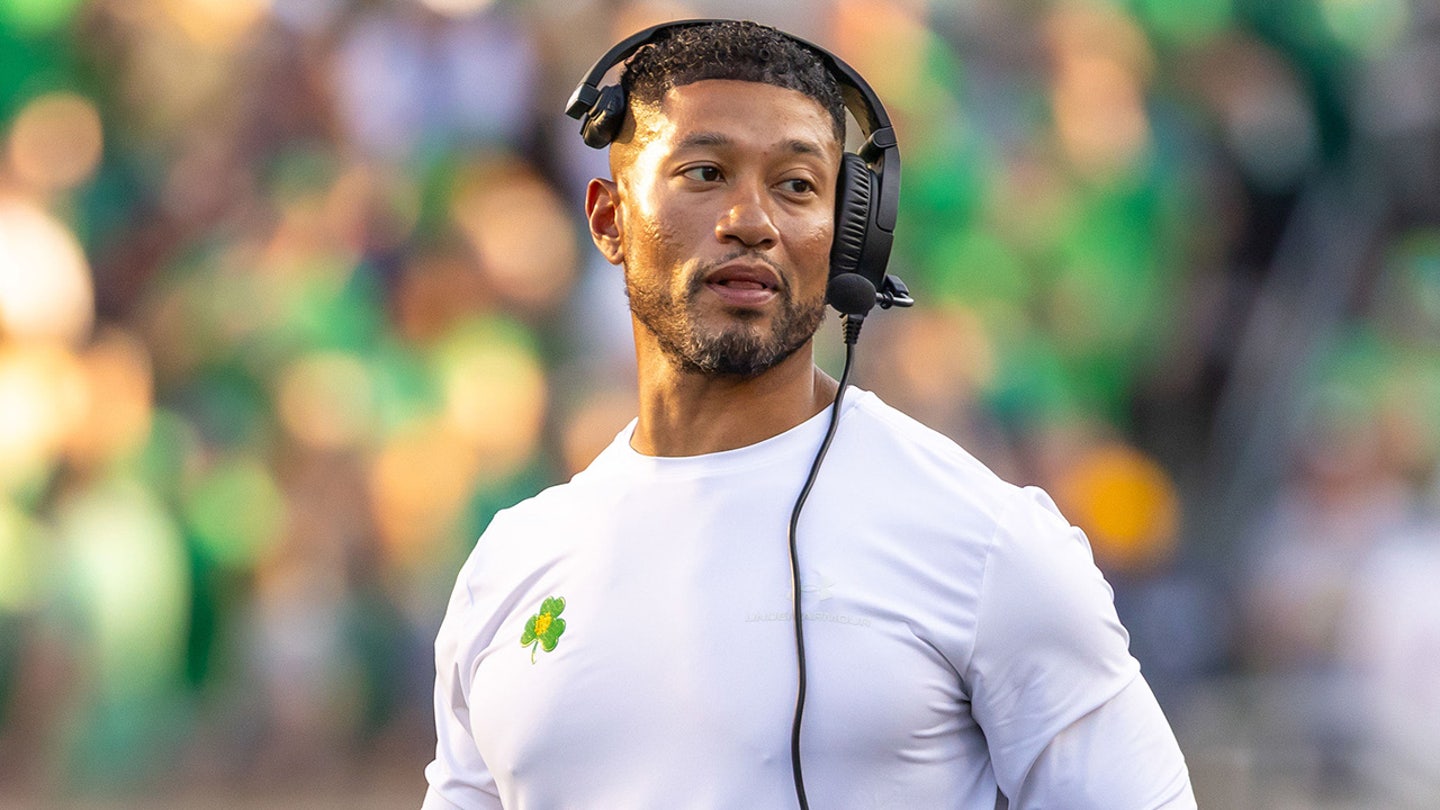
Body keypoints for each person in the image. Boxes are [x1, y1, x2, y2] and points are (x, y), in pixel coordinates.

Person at [423, 19, 1195, 809]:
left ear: (849, 237)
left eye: (796, 185)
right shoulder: (508, 566)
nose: (751, 220)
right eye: (704, 173)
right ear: (608, 219)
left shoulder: (987, 543)